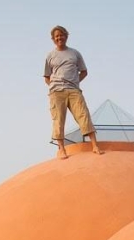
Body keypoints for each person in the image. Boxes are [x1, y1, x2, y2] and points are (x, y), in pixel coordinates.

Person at [44, 25, 103, 159]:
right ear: (53, 39)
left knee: (84, 115)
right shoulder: (50, 56)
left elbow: (84, 71)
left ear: (66, 36)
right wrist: (52, 86)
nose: (59, 38)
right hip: (56, 92)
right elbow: (47, 76)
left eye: (61, 35)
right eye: (56, 36)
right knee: (58, 120)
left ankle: (95, 145)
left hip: (74, 90)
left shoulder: (75, 53)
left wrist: (75, 81)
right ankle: (62, 149)